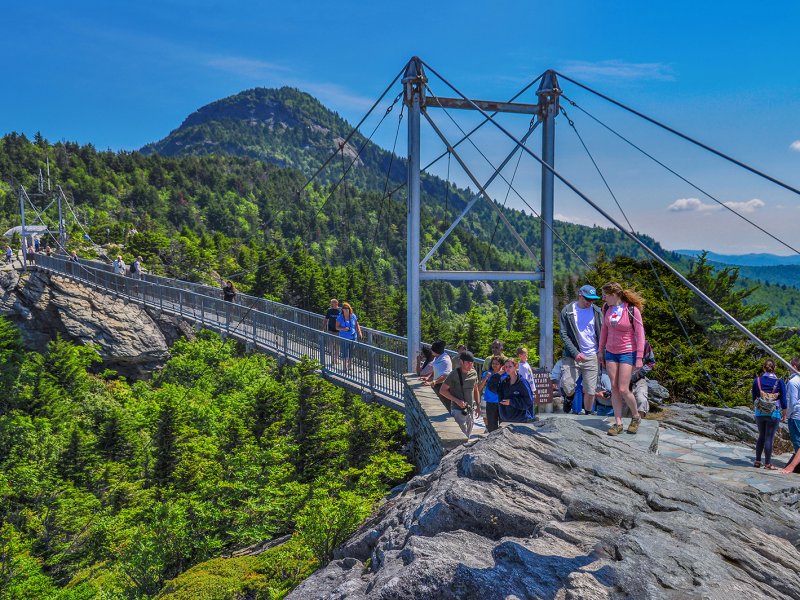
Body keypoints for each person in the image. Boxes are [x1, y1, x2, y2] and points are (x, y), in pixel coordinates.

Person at [598, 282, 646, 436]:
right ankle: (618, 422)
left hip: (627, 352)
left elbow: (640, 335)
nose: (604, 299)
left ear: (614, 295)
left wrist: (639, 357)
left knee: (624, 388)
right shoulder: (606, 309)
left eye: (606, 295)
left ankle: (636, 416)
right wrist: (601, 351)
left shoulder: (632, 310)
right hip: (611, 352)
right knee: (614, 387)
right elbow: (604, 330)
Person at [560, 284, 603, 415]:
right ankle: (569, 398)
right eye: (587, 299)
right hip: (572, 355)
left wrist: (602, 352)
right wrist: (575, 352)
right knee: (568, 385)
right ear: (580, 296)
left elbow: (602, 332)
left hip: (592, 355)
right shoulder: (567, 311)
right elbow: (564, 334)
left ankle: (588, 414)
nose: (590, 302)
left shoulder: (597, 311)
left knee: (590, 390)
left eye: (593, 300)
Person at [752, 359, 787, 470]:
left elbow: (754, 397)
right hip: (773, 412)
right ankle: (767, 463)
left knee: (761, 436)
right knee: (769, 438)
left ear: (764, 368)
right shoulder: (779, 382)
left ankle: (757, 461)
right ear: (774, 368)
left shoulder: (757, 380)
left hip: (760, 412)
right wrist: (785, 413)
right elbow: (784, 400)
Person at [439, 351, 481, 438]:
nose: (470, 365)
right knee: (461, 437)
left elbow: (476, 389)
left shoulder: (474, 373)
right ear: (461, 362)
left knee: (468, 436)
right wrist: (457, 401)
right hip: (458, 410)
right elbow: (442, 390)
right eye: (468, 363)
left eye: (472, 363)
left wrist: (478, 406)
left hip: (470, 409)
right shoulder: (454, 374)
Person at [488, 358, 536, 423]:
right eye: (506, 367)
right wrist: (499, 373)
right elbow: (491, 387)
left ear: (515, 367)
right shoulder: (504, 382)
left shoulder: (522, 382)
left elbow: (528, 401)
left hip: (521, 420)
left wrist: (511, 402)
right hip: (506, 420)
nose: (508, 368)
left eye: (510, 366)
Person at [781, 357, 800, 474]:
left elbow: (791, 402)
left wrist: (786, 415)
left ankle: (795, 465)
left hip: (796, 416)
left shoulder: (793, 382)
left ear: (794, 366)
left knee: (797, 441)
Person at [479, 355, 505, 432]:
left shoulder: (505, 374)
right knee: (491, 425)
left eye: (497, 363)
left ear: (501, 365)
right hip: (490, 402)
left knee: (503, 425)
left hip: (502, 402)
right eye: (493, 363)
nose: (495, 365)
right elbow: (479, 388)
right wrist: (486, 378)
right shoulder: (487, 373)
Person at [425, 340, 452, 410]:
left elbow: (446, 376)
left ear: (436, 351)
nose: (431, 351)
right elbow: (436, 370)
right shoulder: (437, 357)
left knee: (445, 406)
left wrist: (433, 382)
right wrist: (428, 377)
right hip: (437, 384)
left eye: (432, 349)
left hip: (444, 386)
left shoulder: (445, 360)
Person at [335, 302, 363, 370]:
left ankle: (350, 365)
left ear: (349, 309)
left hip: (353, 337)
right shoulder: (340, 317)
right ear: (342, 310)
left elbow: (357, 324)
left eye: (347, 308)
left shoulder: (353, 316)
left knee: (351, 352)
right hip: (344, 337)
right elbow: (337, 327)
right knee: (345, 352)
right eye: (344, 308)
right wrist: (343, 329)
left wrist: (359, 332)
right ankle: (344, 366)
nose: (346, 309)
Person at [323, 299, 341, 367]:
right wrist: (323, 328)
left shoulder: (340, 311)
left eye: (333, 303)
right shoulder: (329, 310)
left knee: (337, 345)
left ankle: (336, 359)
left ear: (337, 303)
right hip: (330, 330)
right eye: (331, 304)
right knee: (331, 345)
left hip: (338, 330)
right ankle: (332, 359)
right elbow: (326, 319)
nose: (332, 305)